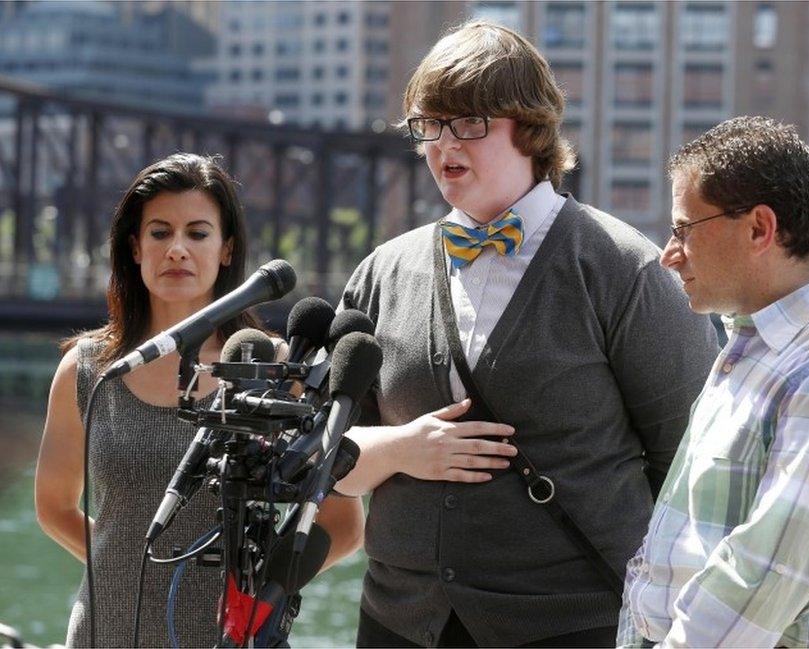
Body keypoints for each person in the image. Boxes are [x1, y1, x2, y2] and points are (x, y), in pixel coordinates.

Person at [335, 21, 719, 648]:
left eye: (468, 123)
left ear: (530, 127)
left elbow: (694, 466)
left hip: (573, 624)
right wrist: (402, 448)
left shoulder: (622, 267)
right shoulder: (381, 272)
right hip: (401, 622)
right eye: (429, 125)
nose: (442, 144)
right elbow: (328, 458)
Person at [617, 116, 809, 648]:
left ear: (760, 229)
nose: (669, 254)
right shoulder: (763, 348)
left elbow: (766, 579)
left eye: (683, 230)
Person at [34, 153, 364, 647]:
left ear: (227, 249)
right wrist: (130, 566)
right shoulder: (89, 370)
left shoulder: (278, 367)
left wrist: (262, 591)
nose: (178, 250)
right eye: (160, 232)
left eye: (198, 233)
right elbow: (54, 506)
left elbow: (343, 524)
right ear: (135, 247)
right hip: (103, 634)